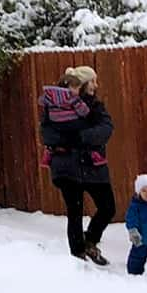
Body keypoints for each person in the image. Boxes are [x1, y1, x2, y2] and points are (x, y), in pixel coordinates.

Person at [39, 64, 114, 265]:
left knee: (108, 207)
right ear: (81, 84)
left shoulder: (95, 107)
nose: (95, 86)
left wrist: (81, 136)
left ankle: (90, 240)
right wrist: (65, 140)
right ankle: (78, 254)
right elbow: (46, 132)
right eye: (92, 82)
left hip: (92, 165)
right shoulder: (53, 105)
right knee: (75, 210)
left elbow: (106, 129)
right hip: (66, 166)